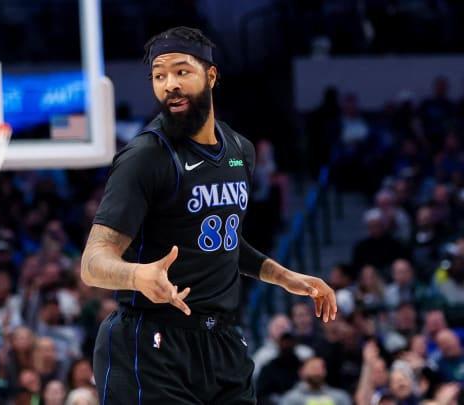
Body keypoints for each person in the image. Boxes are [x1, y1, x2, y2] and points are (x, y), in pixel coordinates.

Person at [80, 26, 338, 404]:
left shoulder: (239, 150)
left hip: (222, 342)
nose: (169, 84)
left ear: (211, 76)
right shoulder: (145, 158)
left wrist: (284, 277)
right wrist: (138, 274)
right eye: (159, 75)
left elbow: (221, 242)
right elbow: (93, 261)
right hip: (152, 344)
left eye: (182, 71)